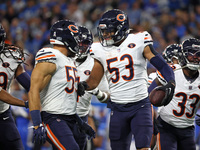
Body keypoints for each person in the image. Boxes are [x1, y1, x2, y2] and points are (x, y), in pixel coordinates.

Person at [78, 9, 175, 150]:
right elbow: (93, 81)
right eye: (103, 31)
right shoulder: (99, 50)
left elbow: (161, 64)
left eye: (108, 31)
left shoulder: (139, 40)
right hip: (118, 108)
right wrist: (82, 86)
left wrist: (171, 81)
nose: (104, 35)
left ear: (121, 29)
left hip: (140, 105)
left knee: (143, 147)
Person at [28, 20, 95, 150]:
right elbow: (33, 90)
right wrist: (37, 124)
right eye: (76, 39)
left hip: (69, 118)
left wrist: (81, 122)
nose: (78, 43)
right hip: (53, 118)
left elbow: (64, 99)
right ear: (67, 39)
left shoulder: (69, 60)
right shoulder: (50, 55)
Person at [149, 38, 200, 150]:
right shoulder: (171, 71)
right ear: (183, 55)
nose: (196, 57)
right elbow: (150, 94)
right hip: (167, 127)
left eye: (198, 54)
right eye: (191, 54)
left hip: (188, 129)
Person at [75, 25, 110, 150]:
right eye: (77, 42)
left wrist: (97, 92)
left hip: (81, 117)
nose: (80, 46)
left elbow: (108, 96)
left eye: (84, 43)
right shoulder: (61, 59)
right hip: (59, 116)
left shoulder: (95, 64)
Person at [0, 24, 30, 150]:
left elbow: (28, 83)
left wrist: (40, 93)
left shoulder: (10, 56)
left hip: (3, 114)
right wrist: (25, 104)